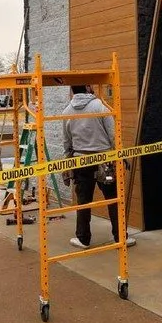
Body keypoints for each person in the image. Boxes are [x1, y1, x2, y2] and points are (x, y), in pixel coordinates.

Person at [59, 83, 137, 252]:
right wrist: (120, 155)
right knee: (113, 199)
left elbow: (67, 141)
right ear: (87, 87)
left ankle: (83, 238)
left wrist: (67, 161)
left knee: (83, 201)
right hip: (105, 160)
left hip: (80, 160)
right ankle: (120, 237)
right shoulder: (100, 106)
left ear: (72, 90)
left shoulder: (67, 112)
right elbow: (113, 134)